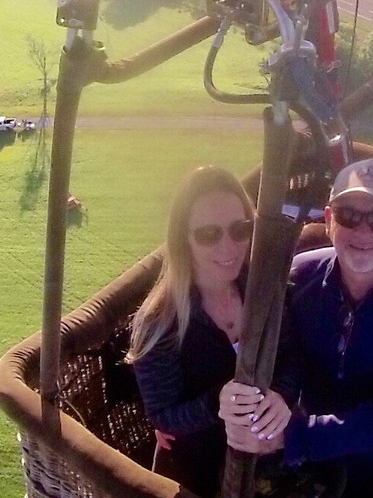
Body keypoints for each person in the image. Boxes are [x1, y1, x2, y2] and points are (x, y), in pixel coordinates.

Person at [220, 158, 373, 498]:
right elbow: (282, 353)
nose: (363, 231)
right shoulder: (298, 278)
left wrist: (291, 436)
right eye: (349, 215)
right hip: (313, 457)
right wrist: (269, 399)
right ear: (330, 220)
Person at [127, 166, 291, 498]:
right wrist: (216, 402)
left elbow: (293, 356)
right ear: (182, 239)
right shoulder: (160, 323)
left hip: (266, 465)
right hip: (196, 477)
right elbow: (164, 417)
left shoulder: (264, 290)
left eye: (240, 229)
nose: (229, 247)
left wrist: (283, 396)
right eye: (208, 234)